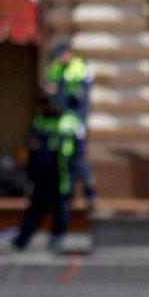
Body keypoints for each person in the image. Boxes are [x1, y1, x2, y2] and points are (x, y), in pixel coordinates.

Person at [6, 94, 84, 252]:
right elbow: (31, 142)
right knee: (35, 209)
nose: (48, 108)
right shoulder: (40, 121)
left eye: (51, 105)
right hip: (42, 174)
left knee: (61, 209)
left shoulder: (71, 121)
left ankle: (56, 240)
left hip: (62, 173)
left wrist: (79, 174)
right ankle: (21, 242)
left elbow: (79, 150)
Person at [45, 41, 98, 210]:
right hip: (61, 124)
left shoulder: (81, 67)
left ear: (69, 53)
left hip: (77, 122)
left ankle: (91, 194)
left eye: (62, 56)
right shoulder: (56, 68)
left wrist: (60, 94)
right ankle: (67, 196)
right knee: (63, 160)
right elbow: (51, 90)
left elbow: (80, 96)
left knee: (79, 160)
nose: (61, 60)